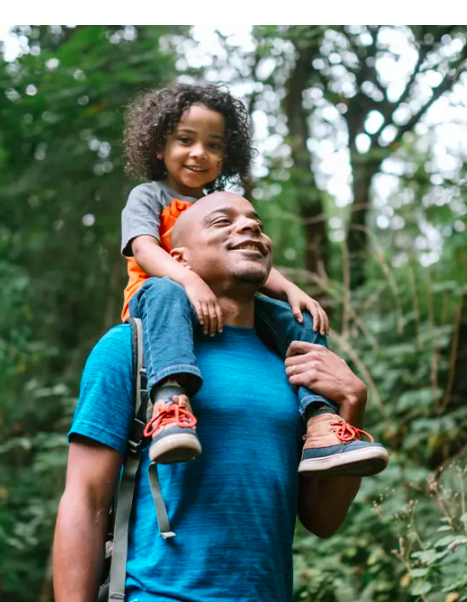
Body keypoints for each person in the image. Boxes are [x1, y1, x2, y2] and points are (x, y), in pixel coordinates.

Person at [49, 192, 380, 602]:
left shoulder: (295, 364)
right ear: (176, 259)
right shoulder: (129, 349)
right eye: (223, 220)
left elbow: (322, 519)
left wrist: (350, 406)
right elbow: (83, 502)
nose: (249, 228)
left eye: (256, 222)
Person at [120, 82, 387, 477]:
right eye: (185, 140)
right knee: (164, 290)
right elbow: (144, 249)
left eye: (213, 145)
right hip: (161, 303)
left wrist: (292, 290)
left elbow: (248, 260)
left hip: (222, 305)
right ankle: (170, 403)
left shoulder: (221, 202)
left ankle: (320, 422)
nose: (199, 153)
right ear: (159, 147)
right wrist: (189, 281)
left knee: (298, 319)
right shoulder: (149, 196)